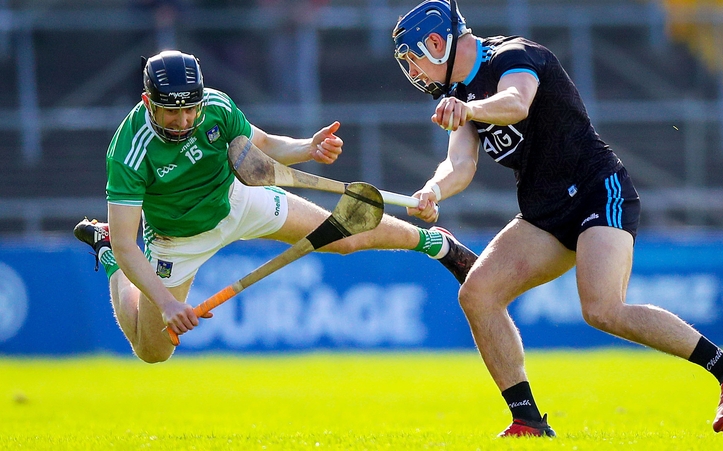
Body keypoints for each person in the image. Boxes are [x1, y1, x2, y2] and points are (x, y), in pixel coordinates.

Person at [391, 0, 723, 437]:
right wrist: (433, 190)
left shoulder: (513, 55)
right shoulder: (456, 96)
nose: (414, 71)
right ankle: (527, 420)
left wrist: (471, 110)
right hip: (544, 210)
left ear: (436, 43)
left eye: (414, 58)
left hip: (596, 189)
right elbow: (459, 164)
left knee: (603, 309)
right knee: (478, 294)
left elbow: (516, 102)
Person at [74, 50, 477, 364]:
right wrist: (166, 303)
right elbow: (132, 244)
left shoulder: (215, 107)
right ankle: (104, 255)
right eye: (171, 111)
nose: (182, 120)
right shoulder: (129, 151)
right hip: (176, 239)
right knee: (152, 351)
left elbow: (260, 145)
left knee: (344, 237)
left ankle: (435, 244)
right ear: (148, 102)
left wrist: (309, 148)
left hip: (238, 199)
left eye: (189, 109)